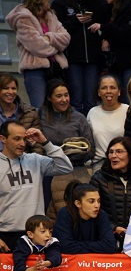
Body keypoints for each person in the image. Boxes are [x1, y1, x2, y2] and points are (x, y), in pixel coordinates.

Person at [0, 122, 73, 251]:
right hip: (6, 235)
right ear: (3, 139)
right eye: (17, 139)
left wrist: (45, 142)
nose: (22, 143)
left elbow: (65, 167)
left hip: (37, 234)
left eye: (24, 139)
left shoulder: (35, 160)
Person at [39, 79, 95, 215]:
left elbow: (91, 149)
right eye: (59, 96)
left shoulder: (79, 118)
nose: (64, 99)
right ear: (49, 98)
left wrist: (75, 152)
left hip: (76, 170)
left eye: (66, 95)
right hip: (49, 172)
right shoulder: (40, 116)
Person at [7, 0, 70, 109]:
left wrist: (48, 37)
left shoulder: (51, 15)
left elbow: (66, 38)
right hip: (35, 71)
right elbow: (37, 47)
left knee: (58, 109)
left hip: (55, 69)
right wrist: (56, 44)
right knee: (40, 109)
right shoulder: (23, 18)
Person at [52, 0, 106, 115]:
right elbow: (57, 28)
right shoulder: (61, 3)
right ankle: (76, 130)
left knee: (91, 100)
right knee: (76, 99)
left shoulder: (96, 2)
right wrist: (75, 21)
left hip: (93, 57)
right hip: (72, 58)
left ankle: (89, 129)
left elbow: (104, 22)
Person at [88, 0, 131, 89]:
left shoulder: (130, 9)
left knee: (129, 95)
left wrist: (104, 27)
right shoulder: (113, 9)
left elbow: (128, 33)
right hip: (119, 63)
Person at [53, 180, 119, 254]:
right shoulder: (65, 214)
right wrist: (97, 246)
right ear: (78, 204)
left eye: (98, 201)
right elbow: (65, 246)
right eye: (91, 201)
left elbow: (110, 245)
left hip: (94, 263)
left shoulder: (101, 214)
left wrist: (77, 245)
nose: (97, 205)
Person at [86, 74, 129, 171]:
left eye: (113, 87)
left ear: (119, 92)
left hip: (123, 162)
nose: (108, 91)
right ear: (98, 92)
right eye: (104, 88)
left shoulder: (128, 110)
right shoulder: (92, 112)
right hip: (100, 164)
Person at [0, 74, 43, 156]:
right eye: (6, 88)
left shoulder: (30, 113)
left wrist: (35, 165)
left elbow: (38, 146)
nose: (10, 92)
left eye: (13, 88)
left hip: (21, 162)